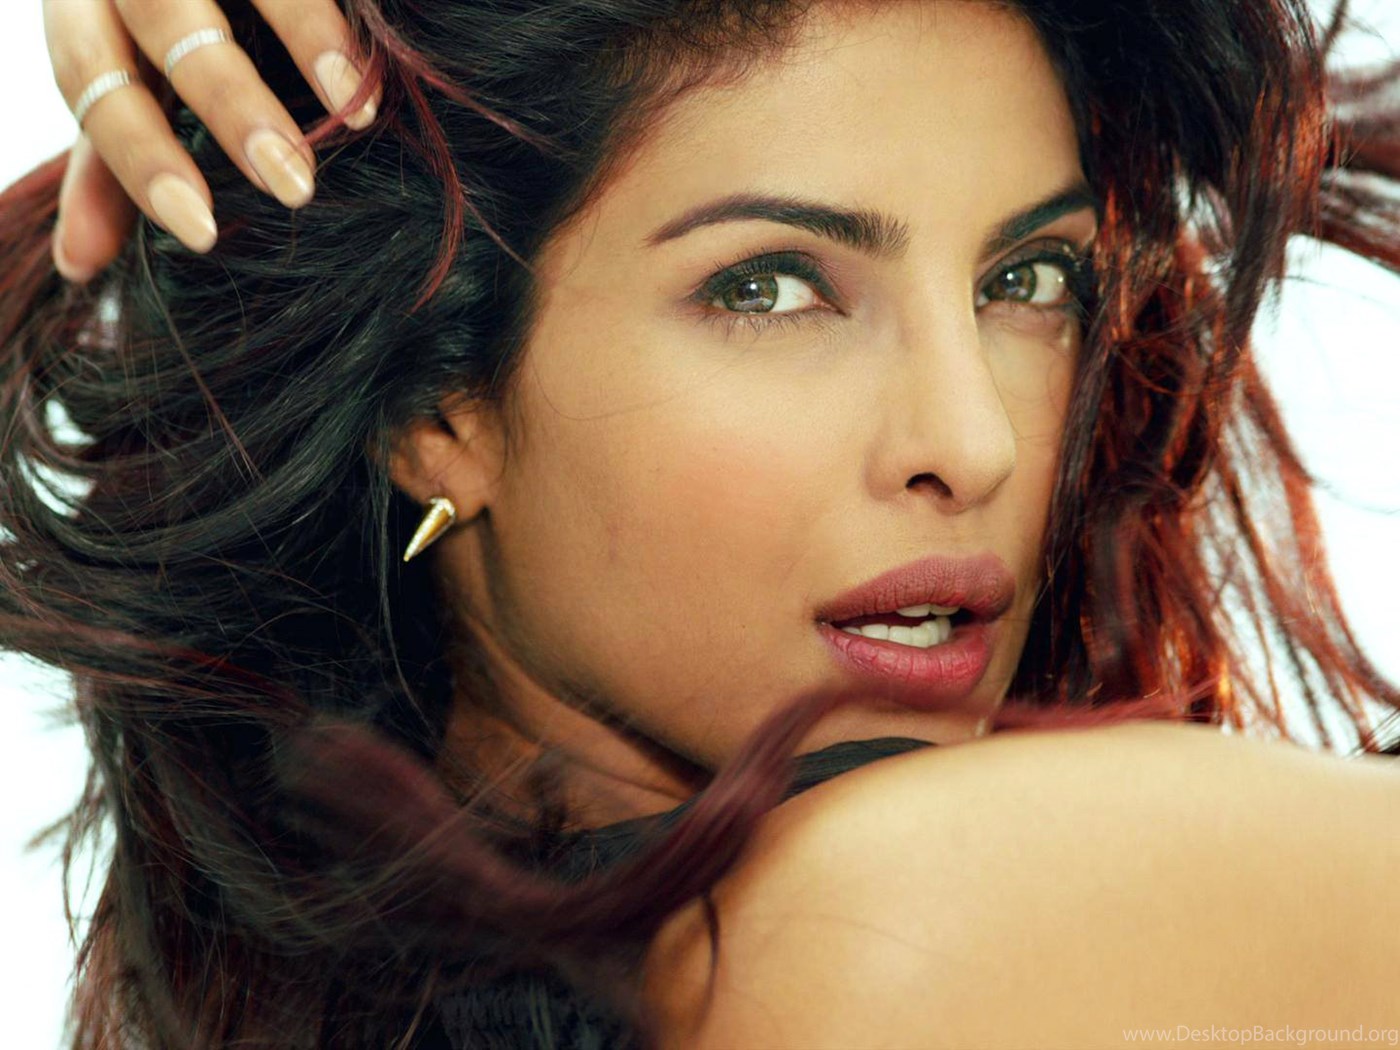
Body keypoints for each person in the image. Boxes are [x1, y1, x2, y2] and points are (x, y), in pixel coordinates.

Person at [4, 0, 1400, 1047]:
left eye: (1026, 279)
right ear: (435, 407)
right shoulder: (887, 919)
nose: (971, 442)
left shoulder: (324, 987)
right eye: (770, 288)